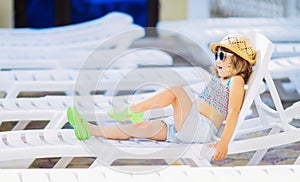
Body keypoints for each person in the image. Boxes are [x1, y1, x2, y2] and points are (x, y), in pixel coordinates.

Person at [67, 33, 256, 161]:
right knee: (136, 128)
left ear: (238, 61)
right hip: (184, 126)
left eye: (223, 56)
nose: (217, 59)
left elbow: (233, 113)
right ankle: (90, 129)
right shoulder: (221, 78)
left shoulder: (236, 81)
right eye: (217, 54)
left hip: (199, 128)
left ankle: (135, 109)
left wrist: (224, 143)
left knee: (176, 90)